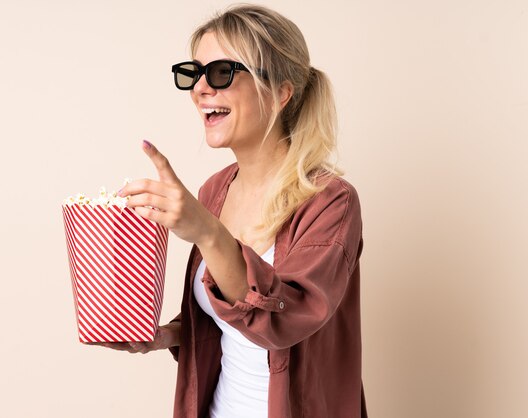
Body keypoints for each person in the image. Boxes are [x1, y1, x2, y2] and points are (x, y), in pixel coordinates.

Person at [94, 4, 366, 417]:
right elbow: (228, 322)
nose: (201, 88)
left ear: (280, 92)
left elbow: (283, 321)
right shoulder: (215, 191)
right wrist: (162, 336)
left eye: (222, 72)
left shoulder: (331, 202)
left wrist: (207, 232)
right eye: (194, 73)